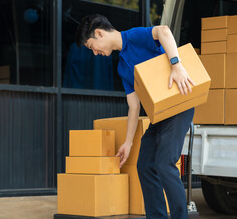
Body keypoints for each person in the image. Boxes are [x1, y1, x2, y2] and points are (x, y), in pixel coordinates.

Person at [75, 14, 195, 219]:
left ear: (99, 33)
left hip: (178, 105)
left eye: (91, 46)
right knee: (145, 165)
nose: (95, 53)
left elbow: (164, 31)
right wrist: (128, 143)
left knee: (165, 163)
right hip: (159, 115)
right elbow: (133, 107)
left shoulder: (135, 36)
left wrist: (177, 65)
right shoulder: (122, 67)